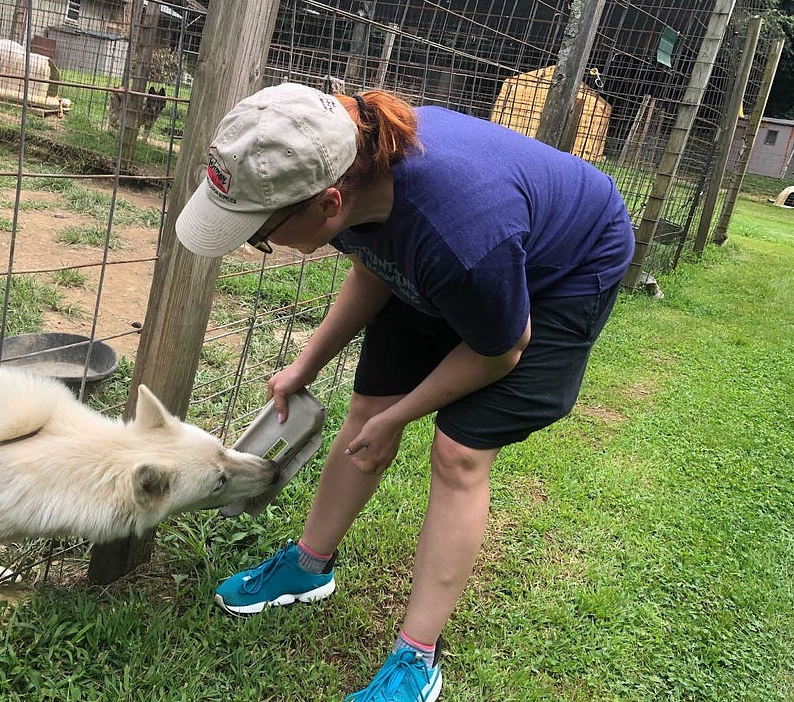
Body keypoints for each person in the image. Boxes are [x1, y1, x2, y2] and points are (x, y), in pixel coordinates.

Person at [174, 82, 635, 702]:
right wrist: (306, 365)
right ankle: (308, 567)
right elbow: (377, 263)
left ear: (328, 202)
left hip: (565, 270)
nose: (261, 246)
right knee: (365, 408)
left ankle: (418, 659)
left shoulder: (463, 236)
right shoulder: (350, 168)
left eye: (260, 234)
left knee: (458, 453)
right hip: (463, 249)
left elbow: (502, 349)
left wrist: (402, 416)